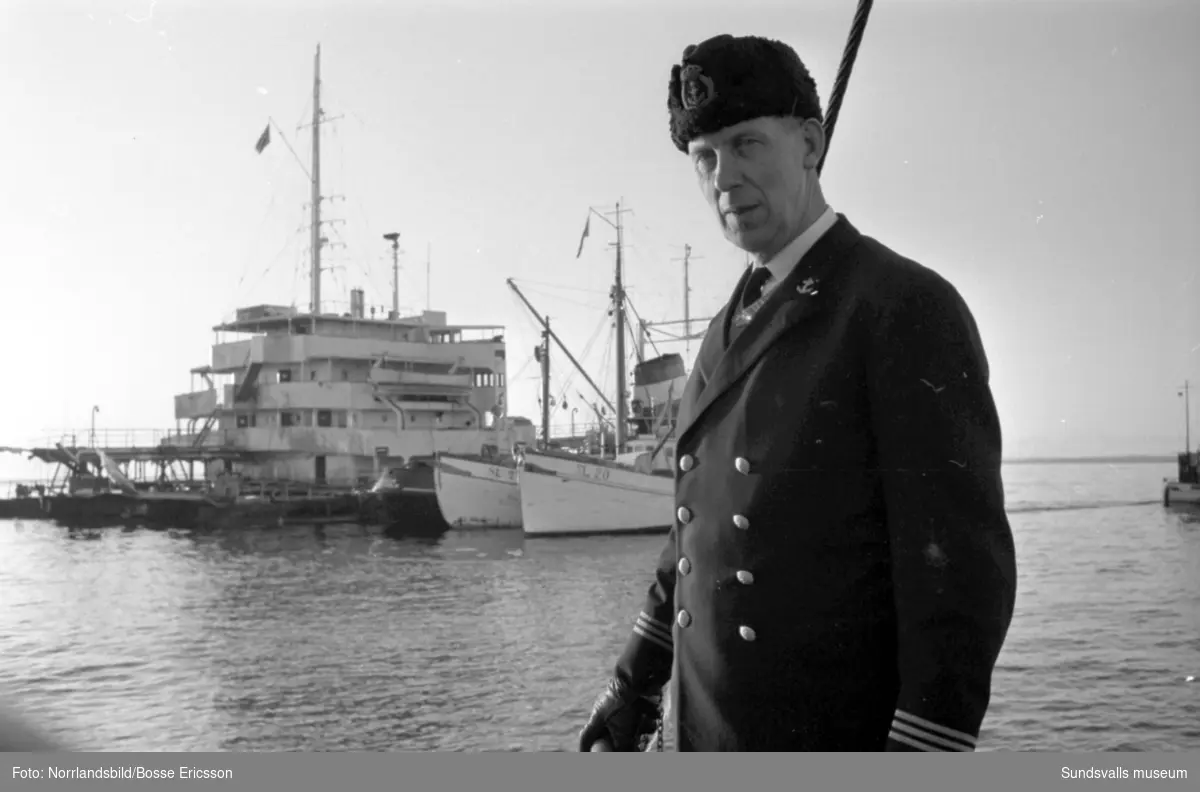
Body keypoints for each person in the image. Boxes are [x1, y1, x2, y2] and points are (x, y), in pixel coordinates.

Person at [578, 33, 1018, 752]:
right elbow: (696, 531)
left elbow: (961, 576)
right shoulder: (728, 327)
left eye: (748, 145)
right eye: (705, 158)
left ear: (810, 143)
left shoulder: (897, 305)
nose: (725, 177)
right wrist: (634, 682)